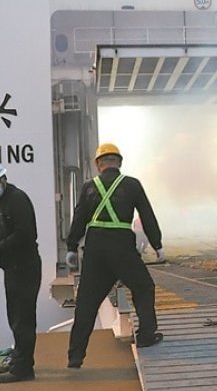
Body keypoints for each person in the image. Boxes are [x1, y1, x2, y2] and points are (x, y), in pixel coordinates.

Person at [66, 143, 165, 368]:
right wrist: (158, 245)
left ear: (98, 164)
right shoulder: (132, 185)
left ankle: (75, 356)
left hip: (95, 251)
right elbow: (147, 215)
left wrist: (72, 247)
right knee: (143, 287)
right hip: (122, 249)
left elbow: (79, 217)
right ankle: (146, 336)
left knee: (86, 304)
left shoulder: (89, 186)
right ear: (119, 162)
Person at [0, 159, 41, 384]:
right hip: (12, 269)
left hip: (25, 268)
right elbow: (0, 230)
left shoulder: (17, 200)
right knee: (14, 316)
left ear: (3, 178)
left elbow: (26, 234)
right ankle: (18, 359)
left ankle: (23, 368)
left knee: (23, 318)